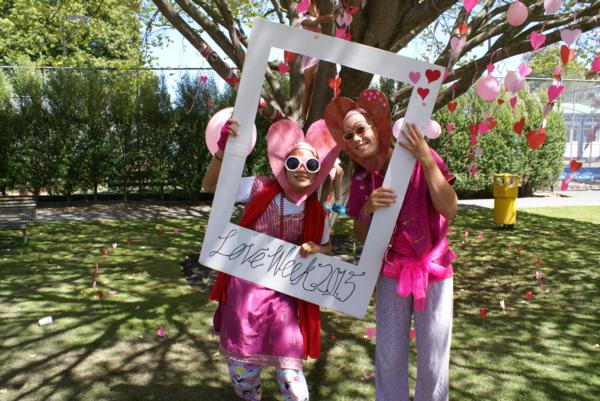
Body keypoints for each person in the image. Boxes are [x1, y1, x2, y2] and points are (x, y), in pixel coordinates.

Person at [324, 89, 458, 401]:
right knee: (388, 356)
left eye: (360, 129)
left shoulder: (417, 155)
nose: (356, 139)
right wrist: (367, 210)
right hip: (392, 274)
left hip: (434, 272)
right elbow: (361, 237)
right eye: (348, 135)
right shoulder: (360, 182)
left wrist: (425, 157)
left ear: (376, 126)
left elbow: (449, 209)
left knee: (433, 360)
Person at [202, 116, 339, 401]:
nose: (302, 169)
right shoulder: (257, 188)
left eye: (311, 165)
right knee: (244, 376)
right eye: (293, 162)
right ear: (282, 166)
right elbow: (211, 186)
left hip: (284, 302)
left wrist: (318, 249)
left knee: (292, 377)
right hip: (244, 298)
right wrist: (222, 152)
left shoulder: (316, 212)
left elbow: (327, 249)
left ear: (318, 172)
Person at [299, 0, 333, 122]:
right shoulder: (304, 14)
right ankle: (303, 116)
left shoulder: (323, 11)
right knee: (309, 86)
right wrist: (318, 21)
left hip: (323, 54)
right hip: (310, 55)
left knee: (321, 85)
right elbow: (306, 22)